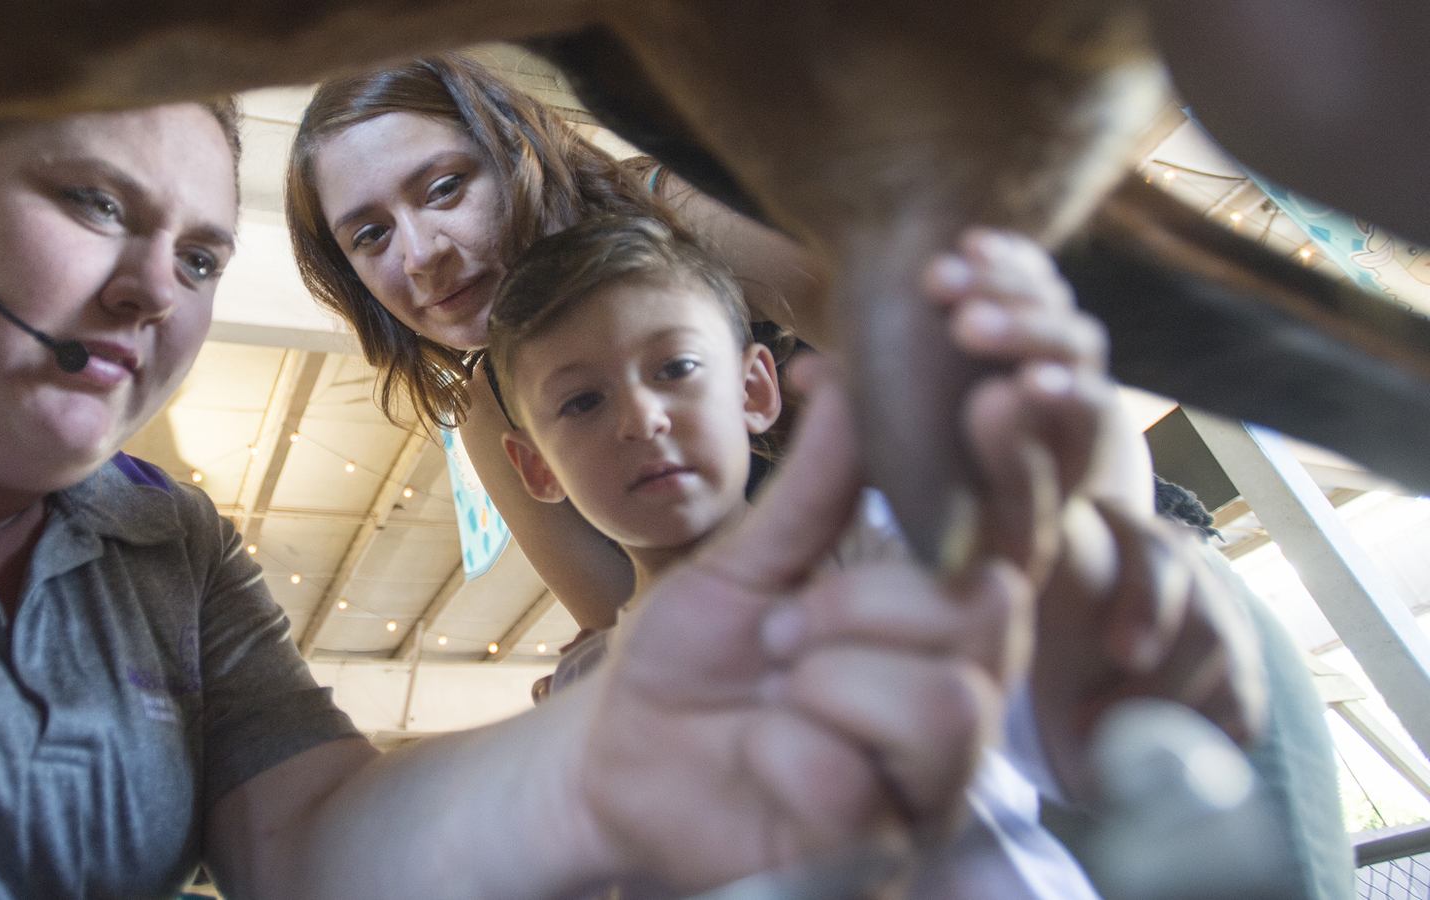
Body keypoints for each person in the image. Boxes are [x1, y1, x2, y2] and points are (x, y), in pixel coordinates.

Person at [0, 100, 1046, 899]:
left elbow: (314, 847)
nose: (144, 295)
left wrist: (603, 749)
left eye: (196, 260)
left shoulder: (163, 545)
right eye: (95, 205)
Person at [285, 53, 1266, 794]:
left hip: (1097, 602)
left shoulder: (691, 216)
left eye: (446, 186)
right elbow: (624, 615)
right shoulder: (492, 410)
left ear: (516, 152)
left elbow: (987, 381)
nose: (422, 254)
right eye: (369, 234)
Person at [485, 214, 1133, 897]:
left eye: (675, 367)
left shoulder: (881, 543)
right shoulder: (583, 692)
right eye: (582, 401)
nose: (641, 418)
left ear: (754, 390)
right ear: (538, 470)